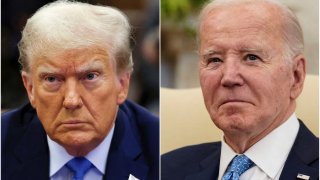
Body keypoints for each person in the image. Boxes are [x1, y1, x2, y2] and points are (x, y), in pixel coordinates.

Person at [161, 0, 318, 179]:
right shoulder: (167, 169)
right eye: (215, 60)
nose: (229, 77)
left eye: (251, 57)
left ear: (296, 76)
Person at [1, 1, 159, 180]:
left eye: (90, 77)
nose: (71, 100)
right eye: (52, 79)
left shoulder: (159, 147)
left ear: (122, 84)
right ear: (30, 88)